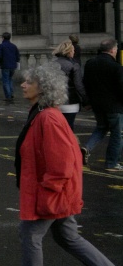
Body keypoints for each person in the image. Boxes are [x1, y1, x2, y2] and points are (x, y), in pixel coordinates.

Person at [16, 64, 115, 266]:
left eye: (29, 82)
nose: (23, 85)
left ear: (43, 88)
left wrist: (49, 190)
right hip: (55, 192)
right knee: (67, 237)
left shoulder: (48, 118)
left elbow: (62, 162)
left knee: (30, 236)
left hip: (51, 193)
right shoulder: (40, 112)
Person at [81, 39, 123, 172]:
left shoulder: (90, 64)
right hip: (114, 106)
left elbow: (85, 84)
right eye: (116, 49)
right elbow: (121, 88)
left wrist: (87, 101)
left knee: (101, 128)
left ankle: (87, 148)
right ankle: (112, 162)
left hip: (97, 104)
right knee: (117, 133)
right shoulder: (116, 67)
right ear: (112, 50)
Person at [52, 40, 87, 131]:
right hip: (70, 101)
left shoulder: (51, 64)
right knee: (69, 128)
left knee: (56, 128)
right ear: (68, 51)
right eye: (73, 50)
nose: (74, 52)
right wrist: (86, 100)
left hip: (53, 100)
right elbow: (79, 85)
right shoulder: (74, 65)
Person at [0, 32, 21, 103]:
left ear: (3, 38)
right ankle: (11, 93)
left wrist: (1, 62)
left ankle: (8, 96)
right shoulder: (13, 46)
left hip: (5, 65)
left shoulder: (1, 46)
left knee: (5, 81)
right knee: (10, 80)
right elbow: (17, 56)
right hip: (13, 65)